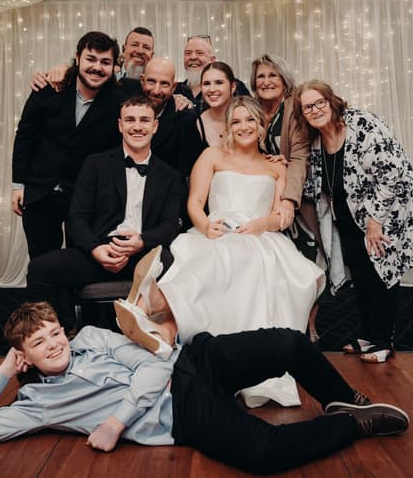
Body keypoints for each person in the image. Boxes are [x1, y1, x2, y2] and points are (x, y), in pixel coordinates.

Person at [0, 301, 410, 475]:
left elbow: (153, 364)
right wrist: (0, 375)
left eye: (54, 332)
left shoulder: (91, 337)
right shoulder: (35, 403)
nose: (54, 344)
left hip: (190, 361)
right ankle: (356, 425)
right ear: (24, 357)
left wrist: (114, 423)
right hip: (178, 411)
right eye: (38, 343)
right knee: (264, 453)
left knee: (289, 343)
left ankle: (341, 399)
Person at [116, 96, 325, 406]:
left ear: (261, 125)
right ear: (228, 128)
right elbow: (194, 203)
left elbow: (283, 215)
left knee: (244, 259)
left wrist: (261, 224)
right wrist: (204, 226)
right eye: (236, 121)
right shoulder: (212, 156)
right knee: (212, 257)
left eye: (250, 120)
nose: (243, 127)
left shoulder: (275, 167)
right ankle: (157, 314)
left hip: (259, 234)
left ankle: (160, 314)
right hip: (215, 229)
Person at [292, 80, 413, 363]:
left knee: (382, 274)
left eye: (319, 103)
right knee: (362, 274)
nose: (315, 110)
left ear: (331, 101)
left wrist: (376, 221)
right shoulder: (316, 140)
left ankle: (383, 341)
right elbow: (317, 184)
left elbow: (391, 174)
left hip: (388, 210)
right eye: (307, 107)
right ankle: (368, 336)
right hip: (350, 215)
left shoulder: (361, 125)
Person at [25, 97, 184, 313]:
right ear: (120, 125)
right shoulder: (95, 164)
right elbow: (77, 217)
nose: (137, 126)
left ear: (155, 126)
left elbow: (170, 225)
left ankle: (160, 334)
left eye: (144, 120)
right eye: (130, 120)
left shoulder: (170, 175)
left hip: (144, 255)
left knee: (177, 267)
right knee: (40, 268)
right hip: (100, 251)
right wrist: (95, 249)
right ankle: (53, 335)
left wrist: (142, 241)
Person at [12, 31, 124, 258]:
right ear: (78, 58)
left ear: (114, 67)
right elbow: (25, 136)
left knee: (78, 264)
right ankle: (40, 296)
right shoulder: (48, 88)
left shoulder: (119, 101)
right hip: (41, 192)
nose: (97, 67)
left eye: (105, 62)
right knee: (41, 263)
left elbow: (155, 90)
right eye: (91, 59)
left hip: (85, 199)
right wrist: (18, 185)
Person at [250, 54, 322, 341]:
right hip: (263, 196)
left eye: (272, 76)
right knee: (273, 266)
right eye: (261, 77)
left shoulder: (294, 108)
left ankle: (309, 325)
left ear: (284, 80)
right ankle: (279, 323)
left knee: (309, 260)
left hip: (297, 194)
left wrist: (288, 201)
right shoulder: (253, 108)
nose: (266, 82)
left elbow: (300, 157)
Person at [176, 61, 237, 177]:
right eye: (206, 83)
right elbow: (184, 174)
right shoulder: (190, 124)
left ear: (233, 87)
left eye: (219, 83)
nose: (212, 89)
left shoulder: (246, 122)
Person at [173, 35, 250, 113]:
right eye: (188, 53)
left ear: (212, 60)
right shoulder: (176, 90)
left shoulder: (232, 86)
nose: (193, 57)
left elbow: (251, 115)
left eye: (199, 53)